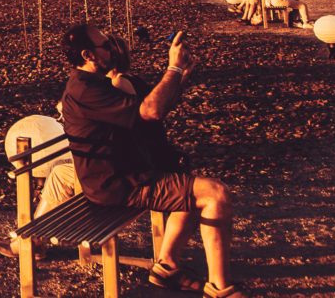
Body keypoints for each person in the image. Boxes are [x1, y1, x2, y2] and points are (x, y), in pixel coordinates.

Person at [60, 23, 243, 297]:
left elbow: (149, 110)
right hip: (118, 184)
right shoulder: (85, 90)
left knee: (187, 183)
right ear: (88, 55)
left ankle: (166, 267)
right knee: (216, 195)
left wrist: (181, 76)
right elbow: (151, 111)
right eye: (106, 45)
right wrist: (173, 68)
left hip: (131, 171)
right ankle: (219, 287)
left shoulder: (96, 83)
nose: (113, 47)